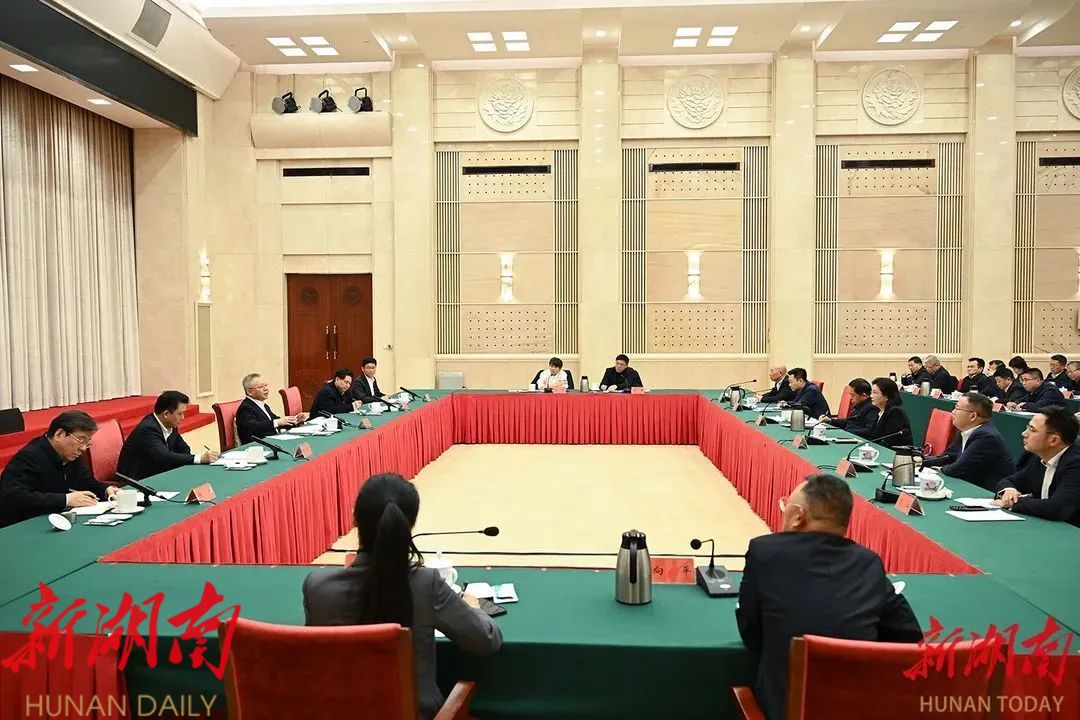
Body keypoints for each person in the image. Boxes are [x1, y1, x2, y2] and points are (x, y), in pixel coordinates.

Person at [303, 473, 503, 719]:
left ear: (354, 518)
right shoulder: (426, 584)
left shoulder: (317, 587)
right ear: (410, 525)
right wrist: (473, 606)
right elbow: (487, 641)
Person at [736, 473, 922, 720]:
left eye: (785, 505)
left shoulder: (765, 551)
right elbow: (910, 636)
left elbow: (751, 633)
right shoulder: (868, 563)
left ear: (798, 516)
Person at [0, 411, 120, 527]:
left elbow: (85, 481)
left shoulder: (70, 453)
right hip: (20, 525)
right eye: (81, 440)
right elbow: (14, 498)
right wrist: (65, 500)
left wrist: (106, 490)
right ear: (59, 434)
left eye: (87, 443)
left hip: (55, 519)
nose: (83, 448)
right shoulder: (29, 456)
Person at [994, 406, 1080, 526]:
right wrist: (1009, 490)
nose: (1024, 434)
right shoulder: (1039, 455)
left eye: (1032, 430)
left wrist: (1013, 503)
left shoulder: (1076, 463)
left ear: (1054, 441)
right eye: (1027, 427)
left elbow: (1059, 508)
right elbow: (1010, 480)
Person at [116, 391, 220, 481]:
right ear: (166, 414)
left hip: (157, 473)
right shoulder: (148, 429)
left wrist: (187, 458)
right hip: (136, 481)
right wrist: (199, 458)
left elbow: (184, 449)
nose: (182, 417)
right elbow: (164, 457)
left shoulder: (170, 424)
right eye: (180, 414)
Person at [921, 393, 1015, 491]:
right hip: (971, 486)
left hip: (988, 493)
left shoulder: (986, 437)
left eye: (957, 408)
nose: (953, 412)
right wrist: (921, 461)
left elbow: (957, 469)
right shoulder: (966, 430)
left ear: (973, 416)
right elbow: (947, 457)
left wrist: (938, 468)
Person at [236, 373, 307, 445]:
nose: (266, 389)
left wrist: (296, 420)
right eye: (260, 387)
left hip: (273, 441)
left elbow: (275, 421)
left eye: (266, 385)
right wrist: (278, 422)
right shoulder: (245, 408)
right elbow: (253, 427)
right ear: (249, 392)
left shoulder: (263, 405)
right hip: (259, 446)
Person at [865, 377, 912, 449]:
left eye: (875, 393)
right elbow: (874, 436)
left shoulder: (895, 412)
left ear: (886, 396)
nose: (871, 396)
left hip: (897, 453)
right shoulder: (881, 411)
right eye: (871, 392)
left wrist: (869, 448)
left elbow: (889, 442)